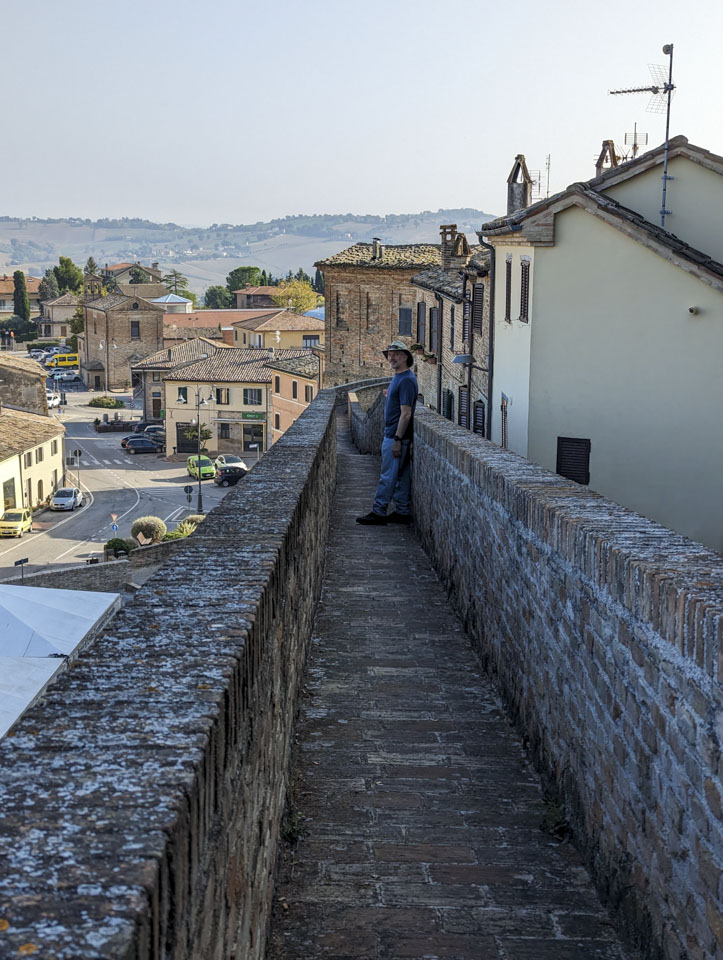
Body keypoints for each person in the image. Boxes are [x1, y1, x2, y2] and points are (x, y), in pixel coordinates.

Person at [356, 340, 418, 526]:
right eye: (390, 354)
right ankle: (402, 511)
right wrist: (389, 394)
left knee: (387, 476)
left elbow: (406, 413)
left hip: (395, 436)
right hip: (398, 435)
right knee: (401, 475)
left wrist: (397, 439)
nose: (391, 357)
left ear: (405, 357)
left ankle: (379, 511)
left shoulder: (406, 380)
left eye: (396, 354)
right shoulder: (400, 378)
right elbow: (399, 401)